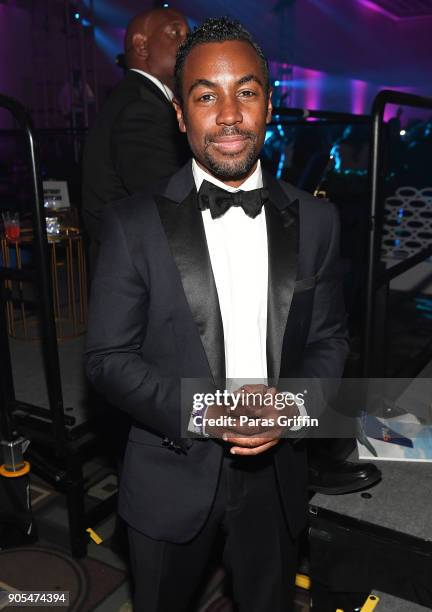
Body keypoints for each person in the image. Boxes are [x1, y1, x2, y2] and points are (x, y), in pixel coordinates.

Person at [85, 17, 349, 612]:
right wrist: (207, 411)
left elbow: (331, 341)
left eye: (246, 92)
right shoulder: (132, 225)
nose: (229, 114)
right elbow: (106, 360)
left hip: (276, 477)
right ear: (180, 114)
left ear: (268, 103)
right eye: (206, 95)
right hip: (169, 472)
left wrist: (291, 409)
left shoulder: (317, 222)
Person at [82, 7, 190, 266]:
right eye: (176, 33)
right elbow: (169, 200)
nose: (188, 43)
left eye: (189, 34)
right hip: (135, 268)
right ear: (141, 46)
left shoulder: (142, 98)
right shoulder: (140, 108)